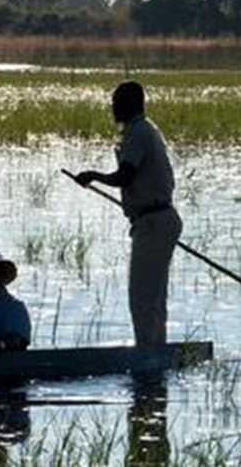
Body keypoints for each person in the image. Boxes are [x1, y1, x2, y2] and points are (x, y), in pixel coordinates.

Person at [74, 81, 182, 348]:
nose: (113, 108)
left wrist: (93, 176)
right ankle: (154, 350)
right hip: (156, 220)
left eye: (117, 103)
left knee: (143, 298)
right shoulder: (144, 130)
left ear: (131, 104)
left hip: (154, 222)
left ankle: (147, 354)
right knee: (153, 298)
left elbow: (126, 175)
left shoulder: (138, 132)